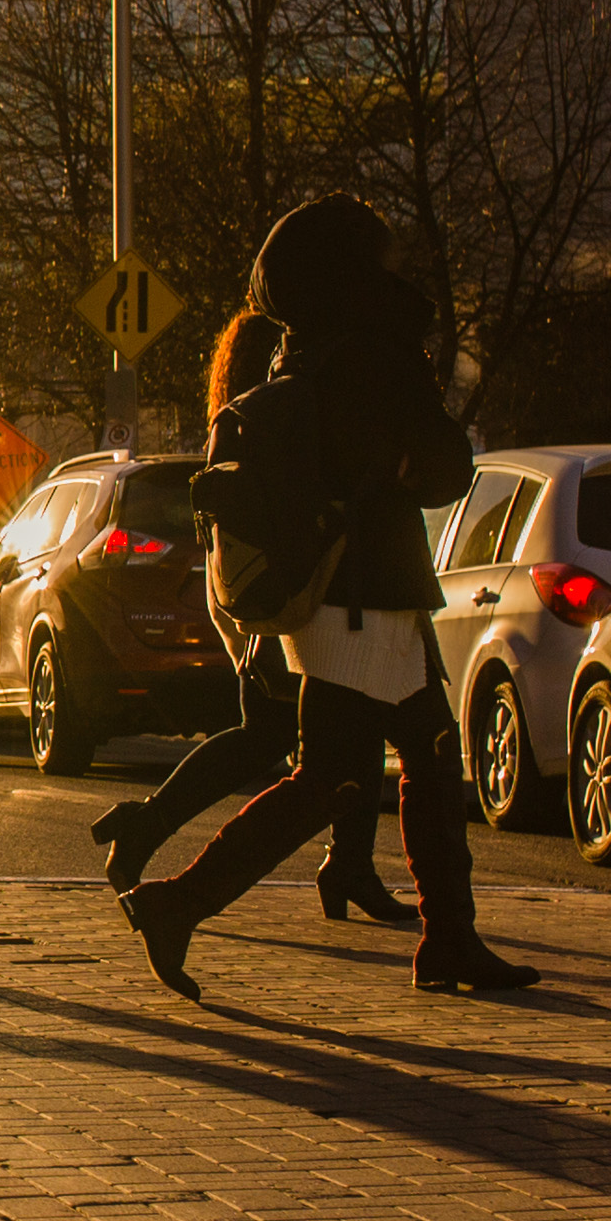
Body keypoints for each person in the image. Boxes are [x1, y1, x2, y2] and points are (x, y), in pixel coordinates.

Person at [116, 200, 537, 1004]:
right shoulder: (376, 352)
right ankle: (178, 904)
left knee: (427, 756)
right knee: (337, 778)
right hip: (368, 593)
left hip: (336, 591)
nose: (396, 268)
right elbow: (444, 463)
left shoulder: (298, 354)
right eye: (382, 257)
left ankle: (450, 933)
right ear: (353, 272)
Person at [88, 311, 403, 926]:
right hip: (280, 589)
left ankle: (345, 862)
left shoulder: (241, 409)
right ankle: (159, 842)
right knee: (301, 729)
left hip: (251, 588)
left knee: (297, 731)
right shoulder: (276, 406)